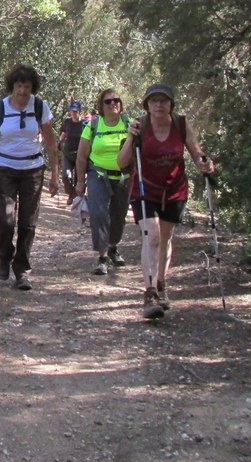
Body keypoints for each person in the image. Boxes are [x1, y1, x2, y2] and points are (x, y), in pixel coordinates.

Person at [117, 83, 214, 319]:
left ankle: (161, 283)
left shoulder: (180, 124)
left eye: (163, 100)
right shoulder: (140, 126)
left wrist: (205, 163)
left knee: (166, 237)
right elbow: (121, 163)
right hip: (145, 189)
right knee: (152, 235)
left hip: (174, 189)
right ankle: (149, 291)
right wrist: (130, 138)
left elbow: (195, 150)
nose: (158, 105)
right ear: (147, 105)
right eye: (154, 101)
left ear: (171, 104)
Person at [0, 63, 60, 291]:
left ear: (32, 87)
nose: (23, 91)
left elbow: (51, 142)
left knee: (28, 221)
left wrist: (54, 175)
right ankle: (5, 256)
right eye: (18, 86)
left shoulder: (40, 106)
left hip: (32, 169)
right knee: (6, 219)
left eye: (27, 86)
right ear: (12, 86)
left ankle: (22, 270)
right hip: (3, 167)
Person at [75, 89, 131, 276]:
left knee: (119, 215)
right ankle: (102, 257)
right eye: (108, 101)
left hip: (124, 177)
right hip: (97, 174)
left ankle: (113, 246)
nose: (113, 103)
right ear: (102, 106)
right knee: (98, 213)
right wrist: (80, 182)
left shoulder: (129, 124)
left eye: (116, 100)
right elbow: (82, 156)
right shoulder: (93, 125)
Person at [58, 101, 86, 216]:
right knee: (66, 175)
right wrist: (59, 142)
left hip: (80, 155)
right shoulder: (67, 122)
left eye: (76, 111)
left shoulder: (85, 124)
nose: (73, 113)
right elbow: (64, 133)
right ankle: (70, 193)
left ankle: (74, 197)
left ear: (79, 112)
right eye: (72, 111)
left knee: (78, 178)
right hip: (68, 153)